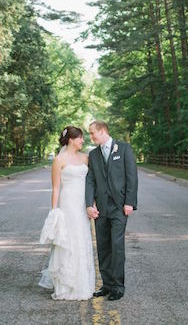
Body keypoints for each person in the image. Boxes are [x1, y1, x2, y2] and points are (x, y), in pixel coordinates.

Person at [38, 126, 95, 300]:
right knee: (69, 239)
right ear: (71, 139)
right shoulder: (59, 160)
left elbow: (92, 183)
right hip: (68, 202)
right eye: (80, 138)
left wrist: (92, 203)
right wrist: (55, 211)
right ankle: (65, 285)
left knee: (82, 237)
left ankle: (82, 284)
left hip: (82, 202)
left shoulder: (85, 158)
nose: (82, 141)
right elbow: (56, 188)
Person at [85, 120, 138, 301]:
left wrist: (129, 202)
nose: (90, 137)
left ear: (102, 131)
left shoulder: (123, 149)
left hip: (119, 206)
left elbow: (132, 177)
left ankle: (118, 286)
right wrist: (89, 204)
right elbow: (90, 180)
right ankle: (107, 285)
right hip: (100, 208)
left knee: (116, 246)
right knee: (103, 246)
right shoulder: (93, 155)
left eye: (92, 133)